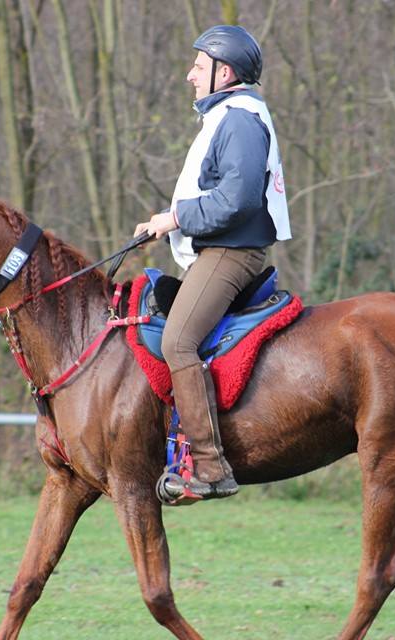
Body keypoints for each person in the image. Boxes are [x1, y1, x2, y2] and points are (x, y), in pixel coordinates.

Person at [134, 25, 291, 502]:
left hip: (231, 253)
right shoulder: (226, 116)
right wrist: (165, 224)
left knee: (178, 341)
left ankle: (208, 465)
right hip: (215, 249)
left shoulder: (239, 120)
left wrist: (175, 218)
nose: (190, 74)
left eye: (199, 66)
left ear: (225, 73)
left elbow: (237, 200)